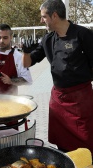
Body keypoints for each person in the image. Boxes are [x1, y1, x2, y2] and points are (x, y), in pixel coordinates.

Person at [22, 0, 93, 154]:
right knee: (61, 140)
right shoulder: (48, 39)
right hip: (58, 98)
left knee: (85, 139)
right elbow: (28, 63)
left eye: (43, 17)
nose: (41, 20)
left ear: (54, 15)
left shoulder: (83, 34)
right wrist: (26, 52)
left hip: (80, 98)